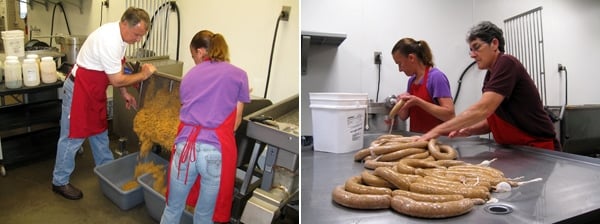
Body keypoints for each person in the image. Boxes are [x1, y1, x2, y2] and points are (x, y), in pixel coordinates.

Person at [51, 7, 157, 200]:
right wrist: (143, 74)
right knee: (73, 137)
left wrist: (125, 93)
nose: (138, 40)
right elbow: (116, 80)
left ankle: (108, 172)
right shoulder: (110, 40)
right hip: (80, 91)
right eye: (137, 34)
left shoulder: (121, 38)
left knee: (100, 134)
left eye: (142, 36)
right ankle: (59, 181)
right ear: (124, 24)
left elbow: (117, 68)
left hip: (94, 91)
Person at [419, 21, 560, 150]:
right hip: (515, 149)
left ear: (494, 43)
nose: (472, 55)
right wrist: (471, 129)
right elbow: (496, 120)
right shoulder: (490, 75)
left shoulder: (507, 63)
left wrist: (436, 131)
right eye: (471, 50)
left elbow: (483, 109)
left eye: (477, 47)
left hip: (536, 147)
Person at [160, 30, 250, 224]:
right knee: (204, 215)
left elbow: (188, 105)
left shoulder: (190, 76)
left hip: (185, 148)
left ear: (202, 52)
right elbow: (235, 123)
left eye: (193, 56)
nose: (194, 60)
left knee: (173, 208)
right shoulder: (239, 76)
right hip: (213, 153)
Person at [390, 38, 455, 133]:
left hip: (438, 141)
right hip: (418, 140)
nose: (400, 69)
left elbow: (450, 115)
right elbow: (403, 117)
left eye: (400, 63)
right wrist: (400, 103)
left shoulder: (436, 77)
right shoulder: (411, 81)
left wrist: (418, 102)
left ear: (411, 58)